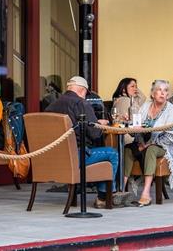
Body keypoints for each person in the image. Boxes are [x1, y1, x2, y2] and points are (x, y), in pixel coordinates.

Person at [46, 76, 128, 209]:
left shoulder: (51, 106)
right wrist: (99, 124)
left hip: (55, 158)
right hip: (77, 157)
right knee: (112, 153)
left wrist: (94, 122)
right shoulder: (81, 104)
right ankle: (103, 197)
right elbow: (94, 134)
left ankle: (96, 195)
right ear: (82, 90)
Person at [123, 80, 173, 207]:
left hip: (169, 145)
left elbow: (171, 136)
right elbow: (136, 130)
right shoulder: (145, 107)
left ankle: (146, 193)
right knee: (128, 149)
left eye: (165, 91)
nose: (162, 93)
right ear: (153, 93)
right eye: (159, 90)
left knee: (151, 150)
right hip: (146, 142)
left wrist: (148, 144)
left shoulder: (171, 110)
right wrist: (130, 124)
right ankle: (121, 191)